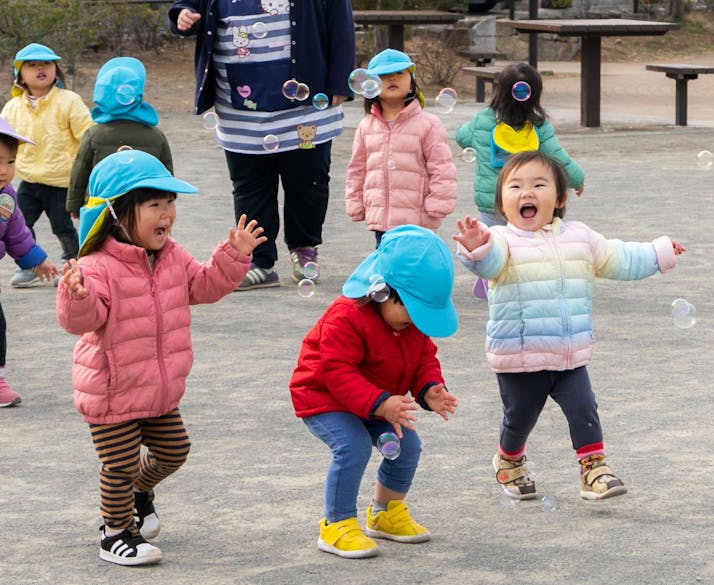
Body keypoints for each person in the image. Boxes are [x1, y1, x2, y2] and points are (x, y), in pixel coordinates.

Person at [56, 150, 266, 565]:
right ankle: (114, 532)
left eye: (170, 203)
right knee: (118, 462)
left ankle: (139, 492)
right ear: (116, 213)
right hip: (112, 390)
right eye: (154, 204)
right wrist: (76, 296)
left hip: (158, 390)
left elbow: (204, 286)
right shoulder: (96, 266)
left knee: (174, 451)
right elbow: (83, 320)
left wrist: (234, 255)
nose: (167, 213)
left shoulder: (173, 256)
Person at [453, 151, 684, 501]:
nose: (526, 192)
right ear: (501, 201)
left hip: (569, 354)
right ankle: (509, 460)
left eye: (538, 184)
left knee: (583, 408)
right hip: (520, 356)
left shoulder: (580, 237)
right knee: (519, 419)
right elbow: (489, 264)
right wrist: (477, 248)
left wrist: (657, 253)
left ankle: (594, 469)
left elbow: (618, 257)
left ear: (559, 198)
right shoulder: (501, 240)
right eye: (515, 186)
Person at [289, 224, 458, 558]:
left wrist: (429, 389)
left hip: (377, 401)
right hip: (324, 397)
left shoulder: (409, 323)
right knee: (352, 446)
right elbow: (336, 372)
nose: (416, 321)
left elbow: (424, 357)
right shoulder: (346, 316)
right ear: (382, 290)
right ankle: (336, 525)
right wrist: (380, 404)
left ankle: (384, 513)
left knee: (408, 446)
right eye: (411, 309)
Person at [168, 0, 355, 290]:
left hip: (306, 105)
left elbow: (340, 23)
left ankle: (304, 249)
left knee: (308, 182)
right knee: (250, 186)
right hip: (238, 105)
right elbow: (187, 6)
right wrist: (181, 15)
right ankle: (259, 260)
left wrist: (339, 81)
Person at [455, 62, 584, 298]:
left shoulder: (483, 120)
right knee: (525, 242)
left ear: (499, 92)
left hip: (492, 200)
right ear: (535, 96)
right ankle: (522, 281)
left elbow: (461, 137)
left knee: (492, 241)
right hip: (527, 202)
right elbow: (559, 159)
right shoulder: (538, 127)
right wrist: (577, 179)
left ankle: (490, 277)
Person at [1, 42, 93, 287]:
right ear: (20, 74)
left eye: (47, 63)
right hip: (28, 180)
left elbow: (88, 135)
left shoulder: (69, 101)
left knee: (62, 227)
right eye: (31, 65)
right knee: (20, 222)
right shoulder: (12, 107)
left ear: (56, 70)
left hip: (62, 180)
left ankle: (72, 265)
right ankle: (30, 266)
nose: (40, 68)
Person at [344, 49, 457, 247]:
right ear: (370, 85)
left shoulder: (429, 124)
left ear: (412, 81)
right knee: (388, 272)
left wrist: (438, 203)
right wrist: (355, 202)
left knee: (415, 273)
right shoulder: (366, 126)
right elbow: (357, 169)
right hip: (381, 220)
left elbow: (442, 168)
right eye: (384, 76)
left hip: (418, 220)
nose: (392, 79)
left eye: (400, 73)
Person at [0, 117, 60, 407]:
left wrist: (37, 261)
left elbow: (17, 234)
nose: (4, 170)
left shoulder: (7, 198)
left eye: (10, 162)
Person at [67, 56, 174, 218]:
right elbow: (167, 175)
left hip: (101, 206)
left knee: (102, 243)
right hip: (144, 210)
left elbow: (80, 172)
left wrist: (74, 205)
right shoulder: (156, 136)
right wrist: (168, 200)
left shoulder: (93, 134)